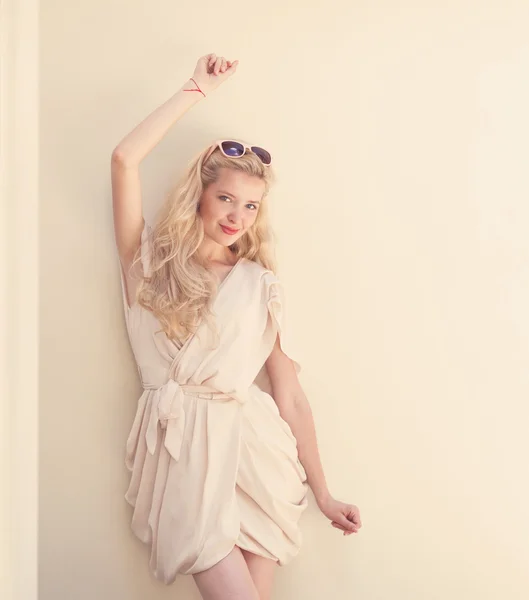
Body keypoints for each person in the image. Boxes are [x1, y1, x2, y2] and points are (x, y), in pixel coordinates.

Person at [111, 53, 362, 600]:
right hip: (182, 449)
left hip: (256, 450)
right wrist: (195, 89)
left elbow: (288, 393)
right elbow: (124, 159)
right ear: (199, 194)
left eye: (250, 206)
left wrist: (323, 493)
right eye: (226, 198)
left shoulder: (258, 282)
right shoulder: (146, 263)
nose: (236, 216)